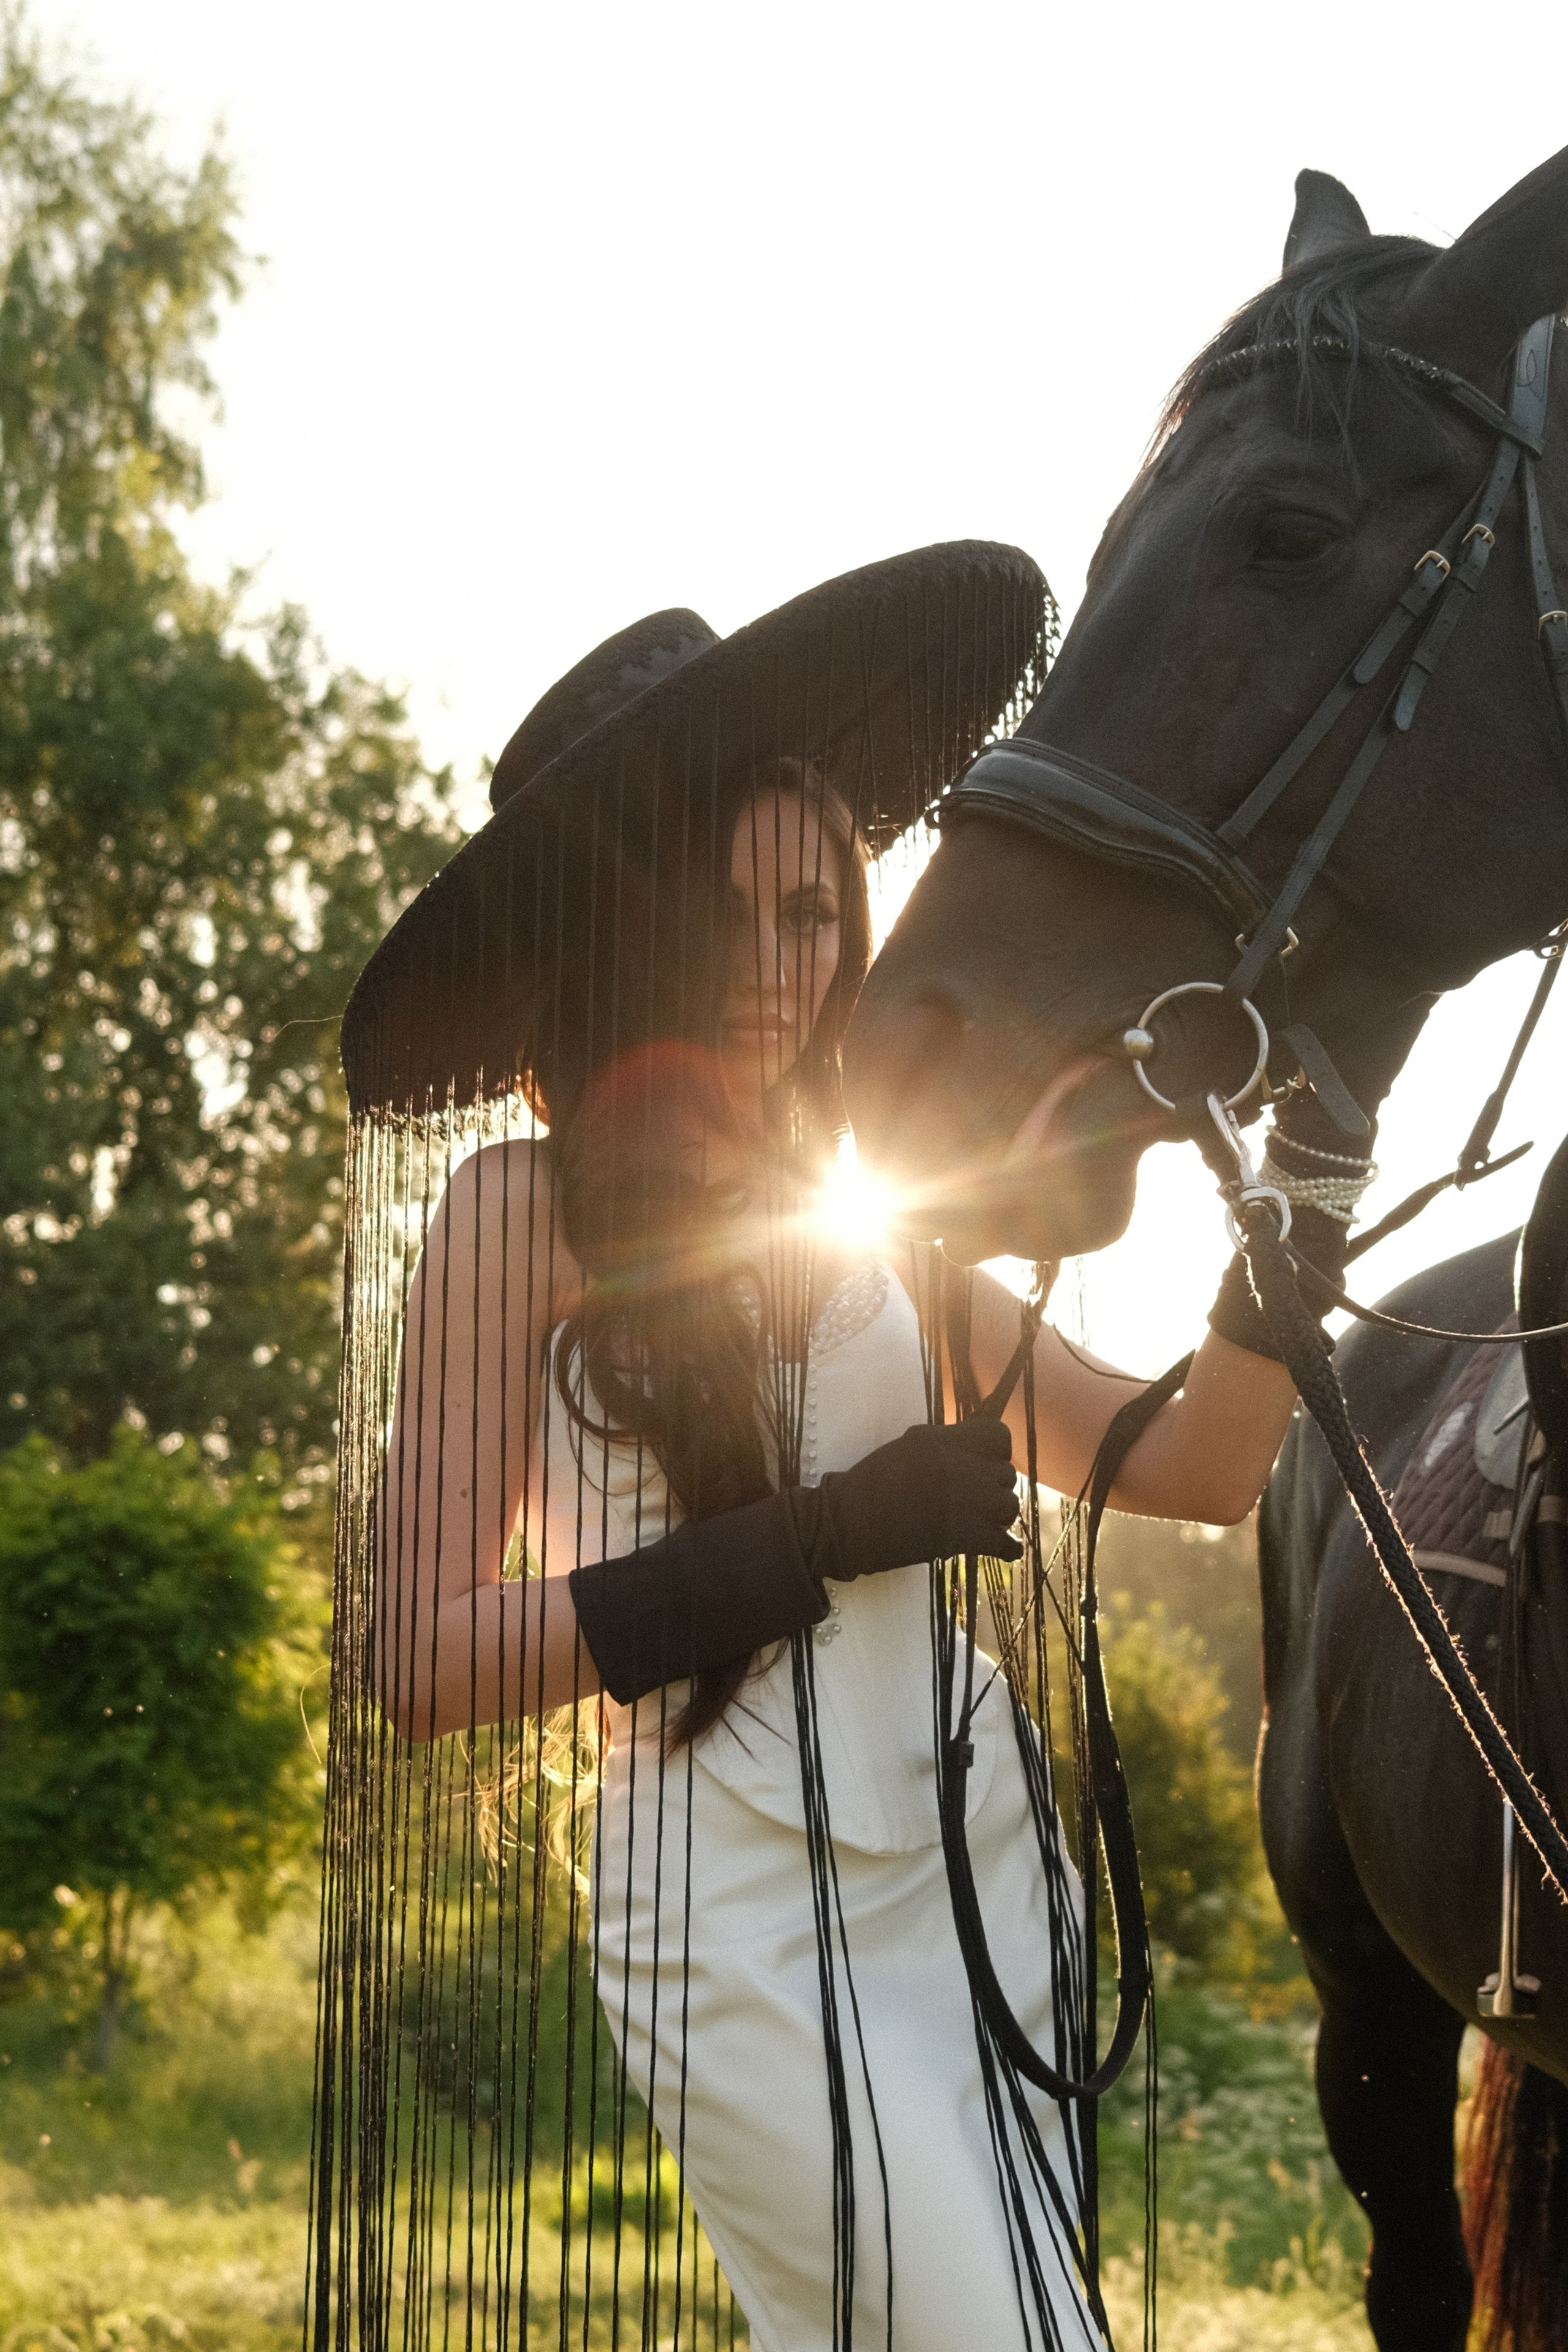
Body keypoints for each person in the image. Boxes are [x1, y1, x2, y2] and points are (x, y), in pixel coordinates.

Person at [352, 548, 1323, 2351]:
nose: (782, 969)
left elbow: (1192, 1469)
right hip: (730, 1914)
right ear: (638, 923)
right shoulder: (516, 1220)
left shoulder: (878, 1218)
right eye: (731, 915)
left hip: (968, 1869)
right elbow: (415, 1664)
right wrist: (820, 1535)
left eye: (815, 920)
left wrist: (1291, 1248)